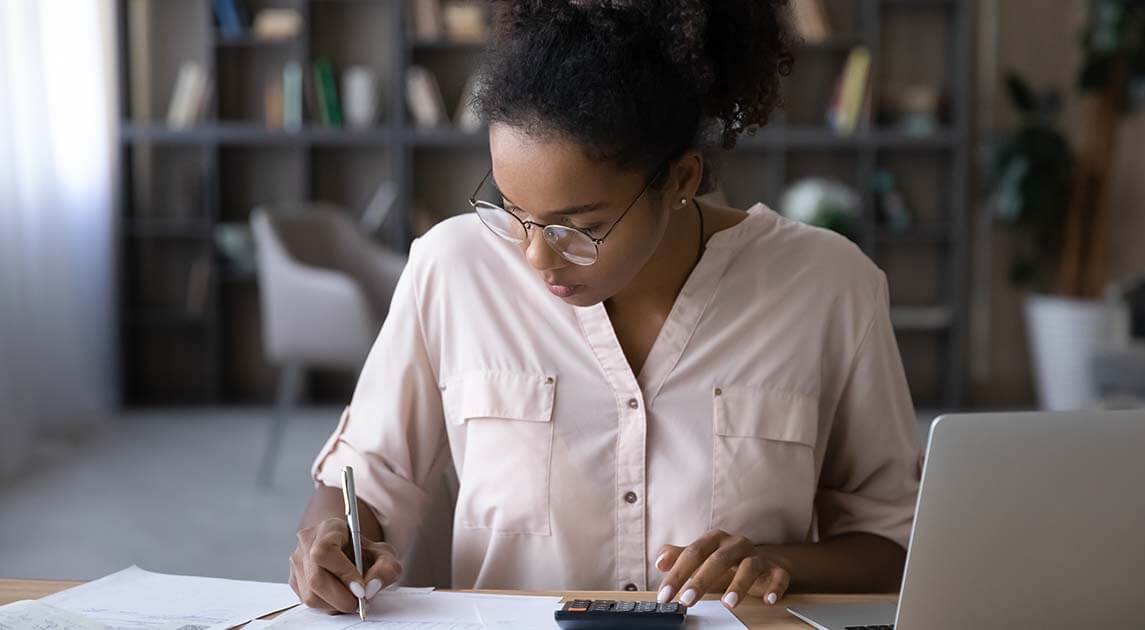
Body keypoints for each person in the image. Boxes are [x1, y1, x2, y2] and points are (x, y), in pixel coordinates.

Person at [287, 0, 921, 615]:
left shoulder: (830, 288)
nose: (536, 258)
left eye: (578, 226)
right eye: (512, 210)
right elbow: (362, 482)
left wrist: (779, 561)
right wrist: (329, 542)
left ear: (681, 180)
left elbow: (896, 542)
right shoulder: (451, 271)